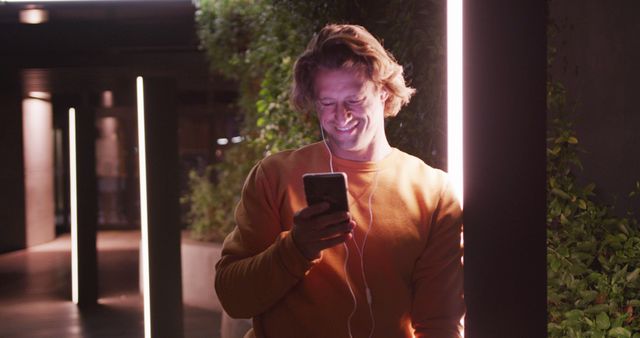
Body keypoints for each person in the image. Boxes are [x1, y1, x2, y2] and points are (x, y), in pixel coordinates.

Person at [215, 23, 464, 338]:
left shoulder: (432, 192)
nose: (341, 115)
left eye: (354, 100)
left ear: (384, 92)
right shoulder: (275, 176)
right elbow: (234, 298)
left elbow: (440, 322)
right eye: (327, 103)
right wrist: (296, 248)